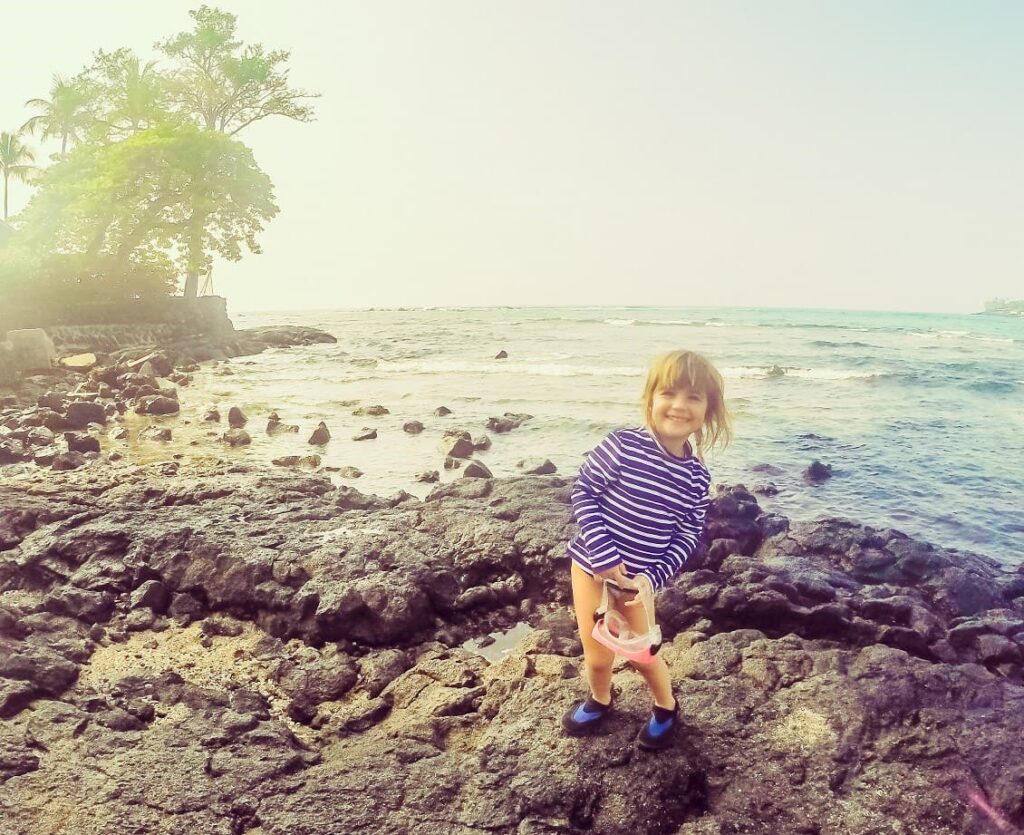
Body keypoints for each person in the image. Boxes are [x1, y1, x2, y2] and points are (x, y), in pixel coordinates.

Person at [561, 349, 731, 749]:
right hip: (589, 567)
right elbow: (584, 492)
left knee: (641, 653)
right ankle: (600, 698)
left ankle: (666, 706)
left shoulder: (695, 476)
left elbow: (688, 534)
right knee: (596, 649)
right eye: (669, 393)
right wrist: (603, 554)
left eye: (694, 397)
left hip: (636, 584)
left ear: (709, 410)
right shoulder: (622, 445)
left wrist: (649, 578)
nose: (679, 405)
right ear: (651, 399)